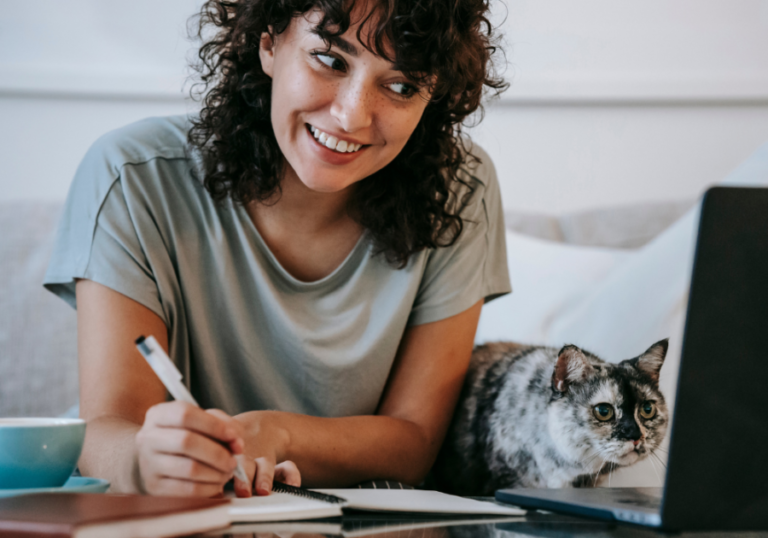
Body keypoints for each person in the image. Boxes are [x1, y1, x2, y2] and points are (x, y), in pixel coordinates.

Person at [44, 0, 509, 498]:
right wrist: (146, 462)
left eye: (401, 86)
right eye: (330, 60)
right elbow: (107, 428)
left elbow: (415, 443)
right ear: (268, 43)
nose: (351, 115)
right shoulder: (132, 178)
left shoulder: (459, 189)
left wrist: (277, 434)